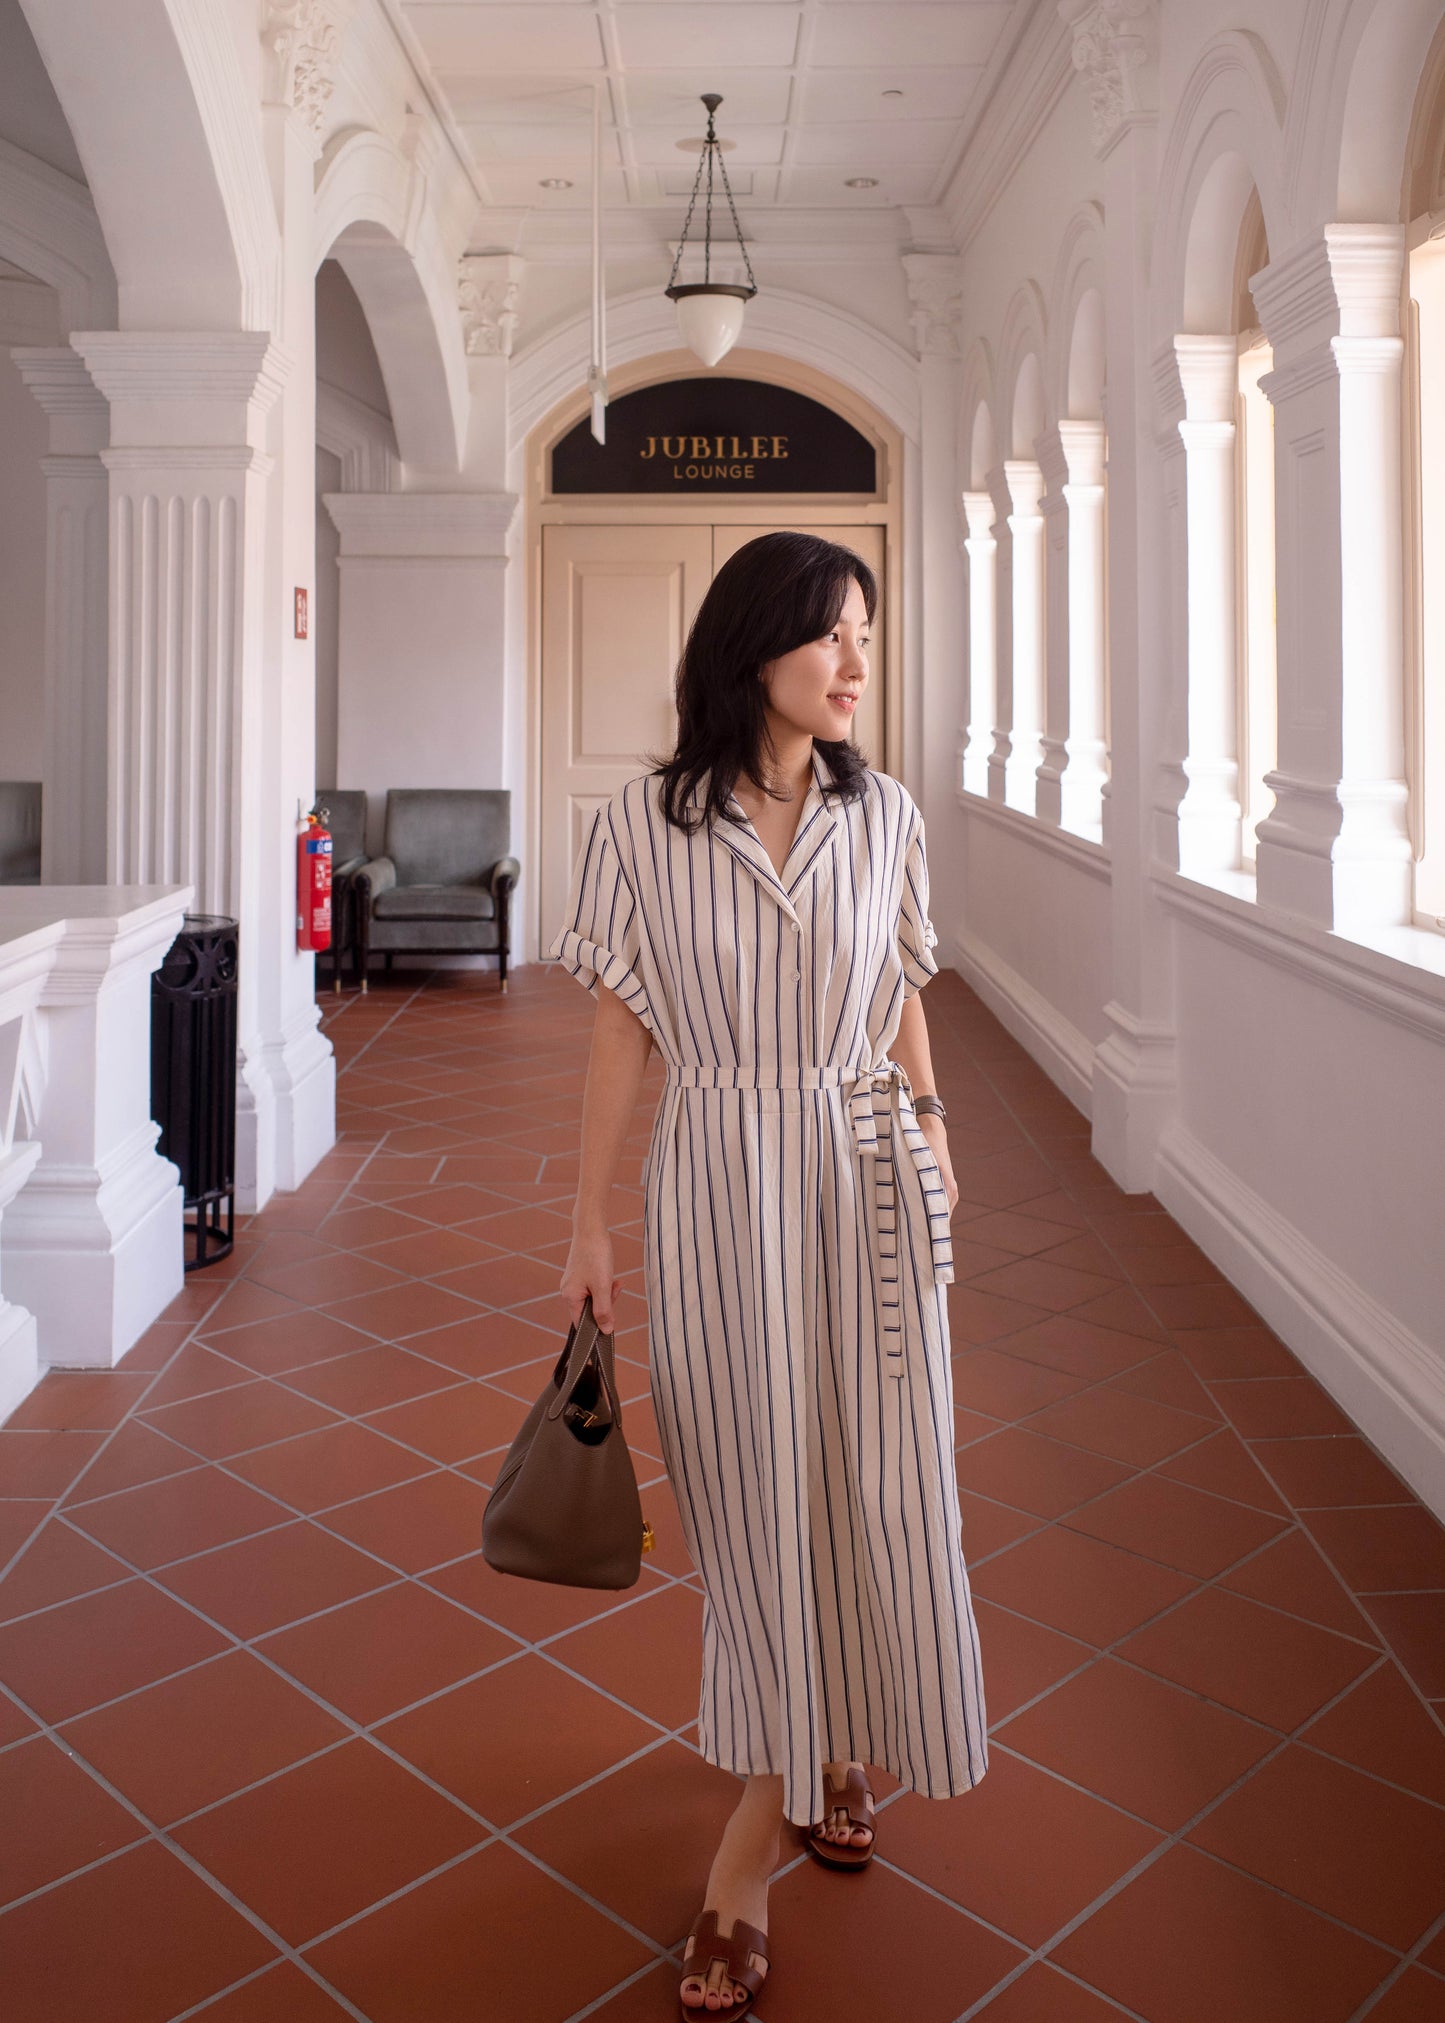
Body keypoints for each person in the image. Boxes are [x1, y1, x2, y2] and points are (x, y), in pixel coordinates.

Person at [550, 531, 988, 2018]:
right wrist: (590, 1222)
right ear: (754, 650)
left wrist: (931, 1130)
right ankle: (780, 1778)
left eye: (867, 636)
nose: (858, 666)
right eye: (833, 639)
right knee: (747, 1499)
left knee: (876, 1480)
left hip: (868, 1169)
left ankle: (789, 1792)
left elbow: (904, 990)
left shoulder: (890, 819)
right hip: (722, 1175)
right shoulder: (638, 827)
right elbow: (621, 1031)